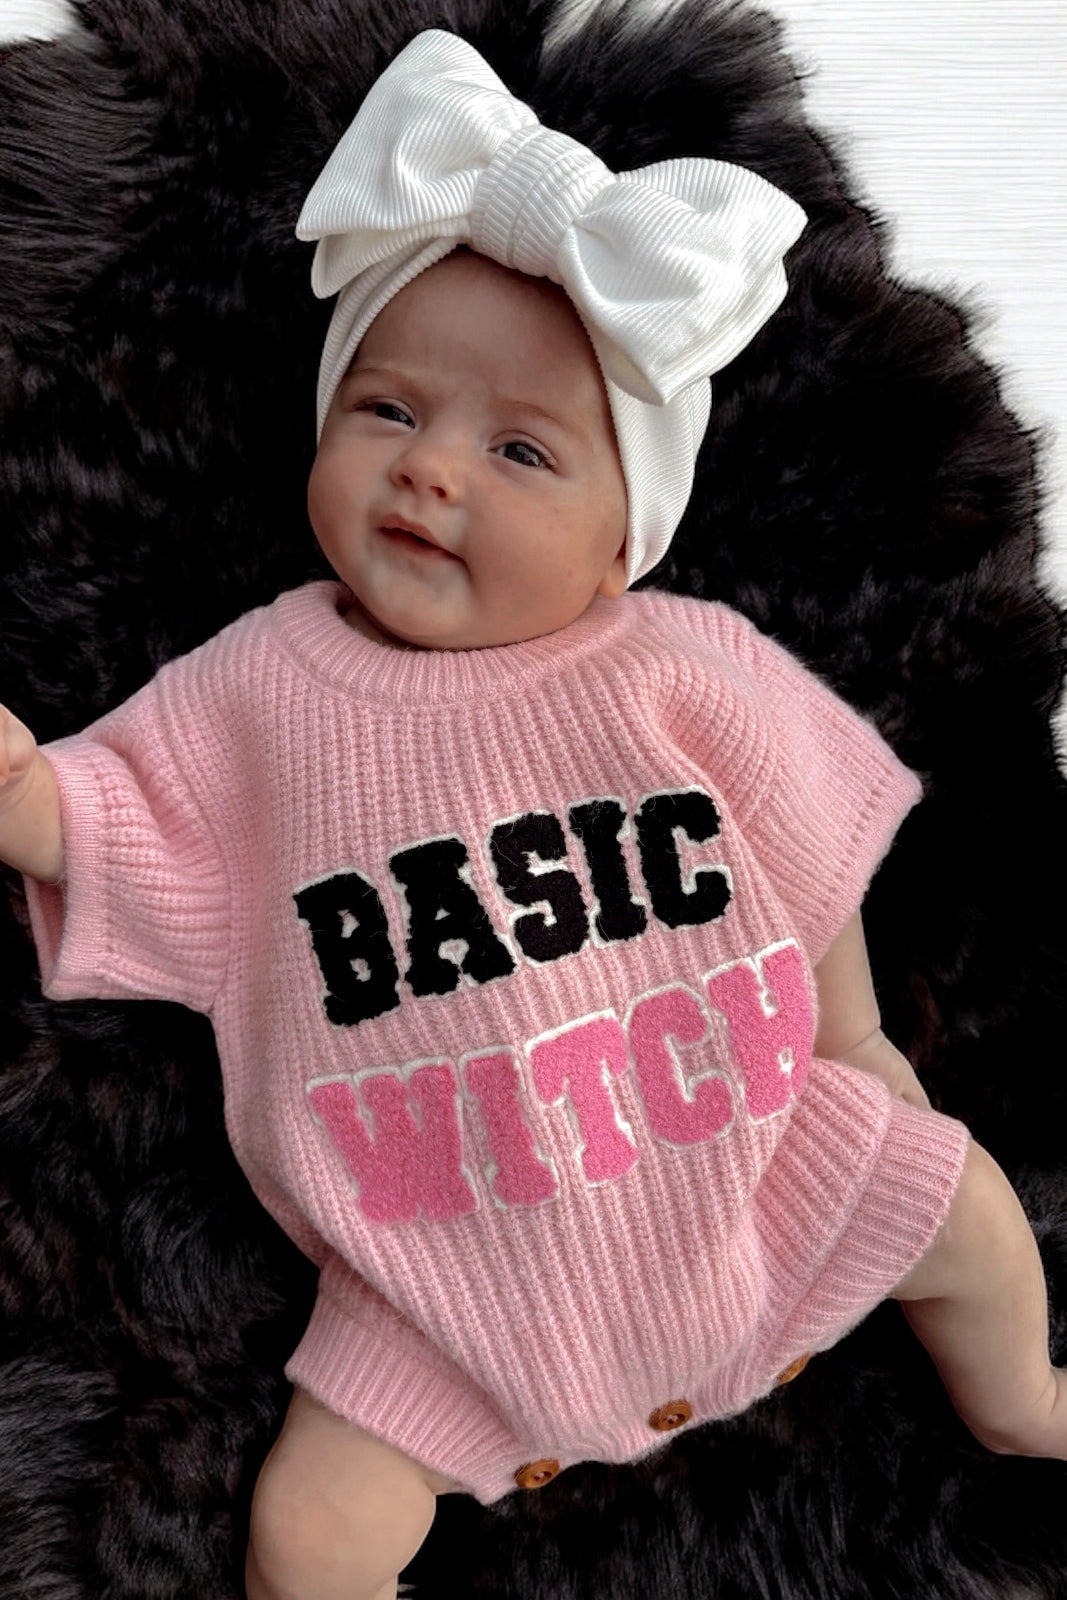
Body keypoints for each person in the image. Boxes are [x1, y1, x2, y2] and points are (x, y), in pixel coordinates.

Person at [0, 28, 1064, 1600]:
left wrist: (851, 1053)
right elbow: (98, 820)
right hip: (437, 1293)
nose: (432, 474)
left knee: (961, 1207)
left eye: (517, 450)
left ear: (623, 540)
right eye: (385, 410)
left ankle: (1028, 1403)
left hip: (748, 1173)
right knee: (313, 1531)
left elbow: (808, 848)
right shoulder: (258, 698)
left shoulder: (691, 671)